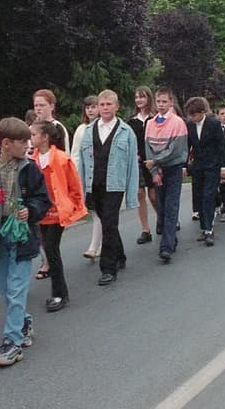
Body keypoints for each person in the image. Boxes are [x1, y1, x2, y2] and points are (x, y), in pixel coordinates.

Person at [0, 117, 52, 367]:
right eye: (23, 141)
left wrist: (32, 210)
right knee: (5, 289)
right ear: (5, 143)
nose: (28, 145)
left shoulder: (30, 168)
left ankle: (11, 343)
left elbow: (42, 199)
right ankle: (23, 321)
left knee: (16, 290)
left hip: (23, 237)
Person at [77, 90, 139, 284]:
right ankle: (119, 255)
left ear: (116, 107)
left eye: (109, 104)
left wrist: (131, 193)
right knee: (106, 223)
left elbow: (131, 164)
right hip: (93, 183)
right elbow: (82, 162)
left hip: (115, 185)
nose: (104, 108)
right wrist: (80, 189)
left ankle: (108, 268)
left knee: (110, 223)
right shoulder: (88, 131)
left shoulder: (126, 132)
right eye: (102, 105)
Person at [31, 121, 87, 312]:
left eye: (33, 135)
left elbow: (74, 185)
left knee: (52, 250)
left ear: (44, 137)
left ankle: (60, 293)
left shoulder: (62, 159)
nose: (30, 139)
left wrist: (74, 205)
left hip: (57, 212)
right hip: (41, 213)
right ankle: (59, 292)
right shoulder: (32, 160)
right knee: (48, 249)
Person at [144, 88, 188, 262]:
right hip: (157, 169)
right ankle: (171, 238)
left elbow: (175, 150)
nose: (161, 105)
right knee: (161, 207)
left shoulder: (178, 123)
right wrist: (154, 171)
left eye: (164, 102)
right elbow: (148, 148)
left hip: (173, 168)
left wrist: (156, 162)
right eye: (158, 101)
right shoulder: (150, 123)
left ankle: (166, 246)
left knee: (171, 206)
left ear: (171, 103)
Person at [185, 97, 225, 246]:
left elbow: (221, 146)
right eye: (190, 115)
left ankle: (209, 229)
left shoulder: (214, 124)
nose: (192, 117)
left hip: (213, 165)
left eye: (194, 115)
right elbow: (187, 147)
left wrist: (224, 167)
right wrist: (185, 166)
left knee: (208, 196)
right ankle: (204, 227)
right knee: (199, 196)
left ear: (202, 112)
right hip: (198, 166)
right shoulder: (189, 125)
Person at [70, 96, 104, 259]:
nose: (90, 110)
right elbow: (75, 154)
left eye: (93, 107)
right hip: (86, 175)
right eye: (87, 107)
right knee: (95, 210)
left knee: (101, 211)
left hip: (101, 175)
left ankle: (96, 245)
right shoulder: (81, 129)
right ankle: (97, 245)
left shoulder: (103, 127)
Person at [127, 86, 158, 245]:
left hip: (153, 161)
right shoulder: (132, 121)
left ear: (148, 98)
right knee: (140, 194)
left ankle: (162, 218)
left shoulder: (155, 118)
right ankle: (145, 230)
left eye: (142, 97)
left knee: (153, 195)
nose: (139, 100)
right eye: (137, 97)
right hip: (137, 161)